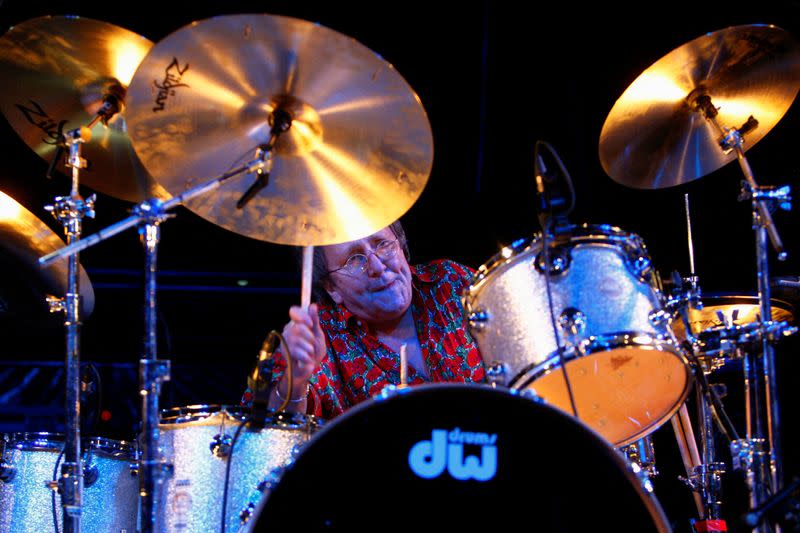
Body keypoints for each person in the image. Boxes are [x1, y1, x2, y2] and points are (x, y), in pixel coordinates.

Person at [242, 220, 485, 420]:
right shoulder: (320, 335)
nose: (377, 266)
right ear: (331, 287)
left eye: (383, 245)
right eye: (354, 260)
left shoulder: (452, 283)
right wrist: (294, 381)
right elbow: (257, 426)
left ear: (401, 246)